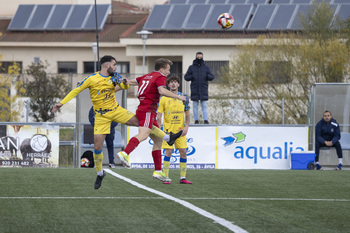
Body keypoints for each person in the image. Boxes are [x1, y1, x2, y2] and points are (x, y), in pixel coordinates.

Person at [52, 55, 182, 189]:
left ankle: (166, 138)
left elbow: (124, 86)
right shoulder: (92, 79)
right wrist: (61, 103)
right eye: (114, 65)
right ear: (107, 66)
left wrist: (123, 82)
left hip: (116, 110)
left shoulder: (114, 76)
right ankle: (100, 173)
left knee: (142, 122)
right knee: (97, 147)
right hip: (101, 116)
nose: (115, 67)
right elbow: (76, 90)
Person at [117, 58, 187, 182]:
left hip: (144, 109)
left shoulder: (148, 76)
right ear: (162, 69)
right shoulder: (160, 76)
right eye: (167, 70)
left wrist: (127, 81)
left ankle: (158, 171)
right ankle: (125, 153)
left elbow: (134, 82)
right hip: (148, 110)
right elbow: (161, 90)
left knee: (158, 140)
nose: (168, 72)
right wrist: (178, 96)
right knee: (143, 134)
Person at [157, 74, 192, 184]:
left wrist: (187, 126)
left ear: (178, 84)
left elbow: (187, 114)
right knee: (168, 152)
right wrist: (159, 130)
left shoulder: (184, 97)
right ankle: (166, 177)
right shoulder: (163, 98)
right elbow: (159, 116)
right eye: (171, 82)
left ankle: (183, 177)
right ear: (168, 85)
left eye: (175, 82)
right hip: (168, 132)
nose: (173, 83)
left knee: (183, 152)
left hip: (181, 131)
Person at [184, 52, 214, 124]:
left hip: (203, 89)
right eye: (198, 57)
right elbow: (186, 77)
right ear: (196, 57)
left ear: (202, 57)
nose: (199, 59)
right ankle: (196, 120)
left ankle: (206, 120)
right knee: (195, 105)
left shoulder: (206, 68)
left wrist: (207, 76)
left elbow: (212, 76)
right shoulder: (191, 67)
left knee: (204, 105)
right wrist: (192, 76)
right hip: (195, 89)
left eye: (200, 57)